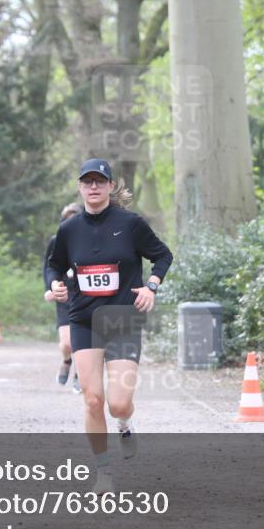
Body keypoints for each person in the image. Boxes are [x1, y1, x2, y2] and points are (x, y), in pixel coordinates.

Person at [46, 159, 172, 494]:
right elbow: (53, 264)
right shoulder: (69, 230)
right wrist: (55, 284)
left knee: (117, 403)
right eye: (87, 182)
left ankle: (125, 422)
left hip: (122, 319)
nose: (93, 187)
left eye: (100, 181)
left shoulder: (130, 224)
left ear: (111, 186)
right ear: (80, 187)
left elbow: (162, 255)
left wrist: (151, 286)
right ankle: (103, 471)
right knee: (91, 400)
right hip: (84, 321)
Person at [43, 203, 81, 393]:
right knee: (67, 343)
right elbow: (48, 267)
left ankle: (79, 375)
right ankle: (66, 361)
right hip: (64, 295)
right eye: (67, 222)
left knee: (82, 342)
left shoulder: (89, 241)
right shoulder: (56, 241)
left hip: (84, 296)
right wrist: (49, 287)